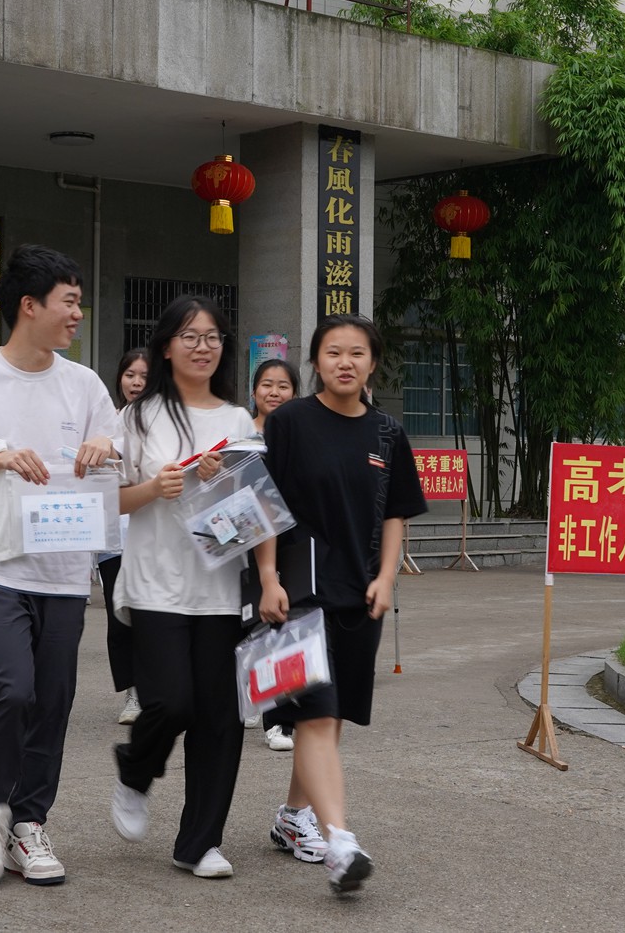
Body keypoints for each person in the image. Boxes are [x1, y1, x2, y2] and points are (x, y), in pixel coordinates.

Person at [0, 245, 121, 889]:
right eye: (70, 301)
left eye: (79, 302)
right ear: (29, 306)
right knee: (10, 688)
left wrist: (106, 442)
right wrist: (0, 458)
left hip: (64, 565)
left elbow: (120, 449)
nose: (78, 314)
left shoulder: (85, 383)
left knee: (54, 699)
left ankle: (28, 823)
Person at [253, 314, 427, 894]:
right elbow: (265, 502)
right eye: (333, 352)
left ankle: (292, 816)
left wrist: (387, 577)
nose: (344, 362)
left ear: (372, 362)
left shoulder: (386, 433)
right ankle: (340, 841)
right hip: (298, 591)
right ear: (316, 362)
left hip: (359, 591)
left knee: (330, 717)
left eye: (356, 352)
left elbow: (395, 512)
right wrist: (268, 577)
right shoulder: (291, 422)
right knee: (317, 713)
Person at [108, 297, 255, 879]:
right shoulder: (139, 417)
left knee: (219, 717)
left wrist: (221, 487)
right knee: (171, 701)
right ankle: (135, 771)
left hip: (220, 586)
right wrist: (156, 487)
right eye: (190, 336)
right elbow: (109, 501)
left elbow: (254, 513)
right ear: (166, 346)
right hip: (155, 583)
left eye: (213, 336)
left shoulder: (238, 421)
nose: (203, 346)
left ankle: (200, 843)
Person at [243, 357, 301, 751]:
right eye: (267, 384)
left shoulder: (303, 434)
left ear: (295, 393)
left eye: (283, 386)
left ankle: (278, 720)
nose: (274, 392)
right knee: (248, 624)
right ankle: (252, 689)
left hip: (290, 541)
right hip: (243, 541)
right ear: (254, 391)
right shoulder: (239, 433)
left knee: (282, 623)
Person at [98, 347, 149, 726]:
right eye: (130, 374)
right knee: (119, 619)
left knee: (152, 616)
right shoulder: (107, 424)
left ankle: (153, 686)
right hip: (114, 537)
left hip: (152, 536)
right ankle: (133, 692)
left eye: (145, 376)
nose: (136, 382)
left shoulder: (165, 424)